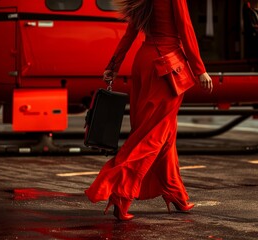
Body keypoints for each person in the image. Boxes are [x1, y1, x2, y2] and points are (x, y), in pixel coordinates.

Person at [85, 0, 213, 221]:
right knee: (153, 137)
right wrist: (199, 69)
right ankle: (121, 194)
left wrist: (113, 65)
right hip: (167, 67)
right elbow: (186, 29)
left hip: (144, 62)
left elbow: (130, 33)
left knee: (164, 134)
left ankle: (176, 192)